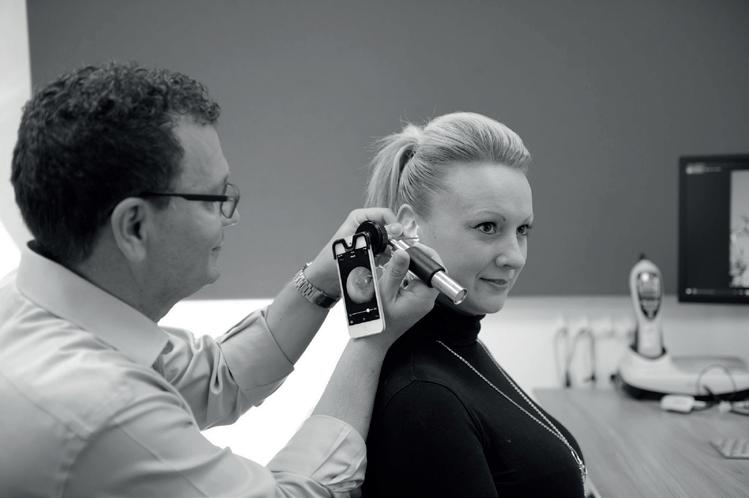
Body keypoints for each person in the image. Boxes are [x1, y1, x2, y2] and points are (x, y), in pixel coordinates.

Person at [0, 62, 440, 497]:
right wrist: (370, 343)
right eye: (215, 198)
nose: (232, 217)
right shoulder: (107, 411)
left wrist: (323, 278)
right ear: (134, 226)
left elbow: (218, 376)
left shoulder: (29, 306)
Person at [361, 112, 587, 497]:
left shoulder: (459, 347)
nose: (515, 257)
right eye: (487, 227)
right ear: (410, 227)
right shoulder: (423, 398)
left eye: (522, 229)